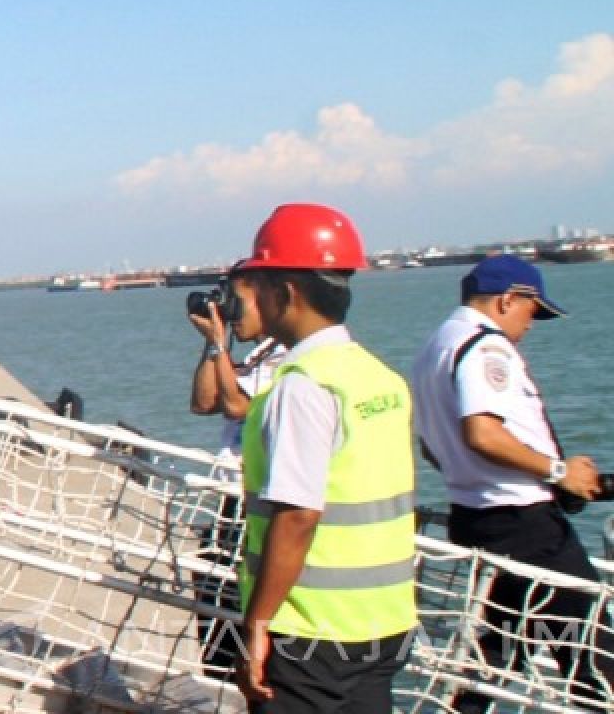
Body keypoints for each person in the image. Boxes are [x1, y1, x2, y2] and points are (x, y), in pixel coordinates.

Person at [232, 203, 417, 712]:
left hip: (310, 630)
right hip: (385, 622)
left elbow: (298, 516)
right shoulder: (378, 377)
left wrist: (260, 622)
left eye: (256, 285)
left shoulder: (303, 386)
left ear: (285, 292)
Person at [411, 254, 612, 711]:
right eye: (531, 311)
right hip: (526, 526)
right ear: (507, 300)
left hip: (475, 518)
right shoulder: (487, 347)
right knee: (593, 654)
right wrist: (560, 472)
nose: (531, 325)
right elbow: (482, 431)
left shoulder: (434, 347)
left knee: (494, 656)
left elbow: (433, 448)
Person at [187, 264, 285, 676]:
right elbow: (204, 402)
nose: (232, 309)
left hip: (258, 503)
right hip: (233, 502)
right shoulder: (256, 354)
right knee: (221, 617)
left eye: (236, 299)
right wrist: (215, 344)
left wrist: (220, 349)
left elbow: (238, 406)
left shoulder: (291, 359)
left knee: (245, 617)